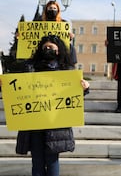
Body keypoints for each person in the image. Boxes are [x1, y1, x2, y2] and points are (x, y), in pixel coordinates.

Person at [11, 35, 90, 176]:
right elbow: (17, 89)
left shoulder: (66, 70)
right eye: (45, 47)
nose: (47, 50)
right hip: (34, 123)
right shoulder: (30, 68)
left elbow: (73, 96)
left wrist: (84, 88)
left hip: (56, 124)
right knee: (37, 162)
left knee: (52, 161)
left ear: (58, 51)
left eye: (51, 48)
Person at [41, 0, 78, 66]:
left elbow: (65, 38)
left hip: (59, 46)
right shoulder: (39, 23)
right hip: (44, 45)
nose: (52, 10)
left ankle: (71, 66)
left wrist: (70, 36)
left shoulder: (63, 23)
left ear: (58, 10)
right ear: (46, 10)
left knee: (71, 48)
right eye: (50, 8)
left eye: (54, 8)